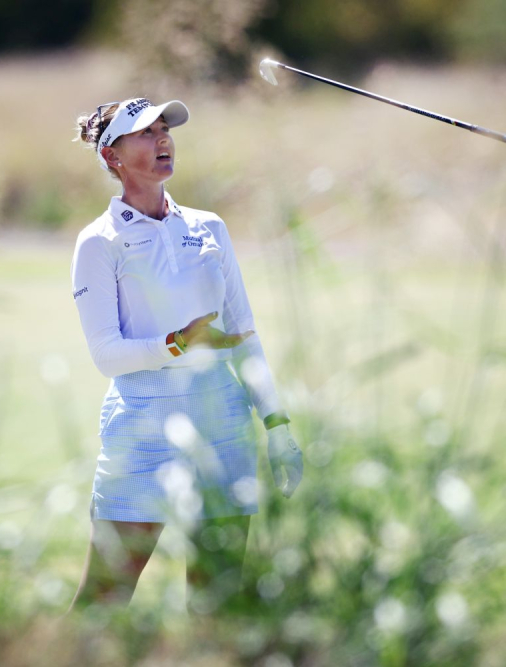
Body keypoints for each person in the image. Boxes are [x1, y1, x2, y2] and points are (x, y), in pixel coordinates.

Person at [67, 97, 303, 613]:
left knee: (216, 603)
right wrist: (176, 344)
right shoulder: (98, 243)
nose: (162, 140)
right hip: (141, 428)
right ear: (112, 157)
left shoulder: (209, 227)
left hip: (222, 420)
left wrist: (277, 424)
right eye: (144, 134)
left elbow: (243, 332)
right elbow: (107, 356)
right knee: (105, 597)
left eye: (164, 130)